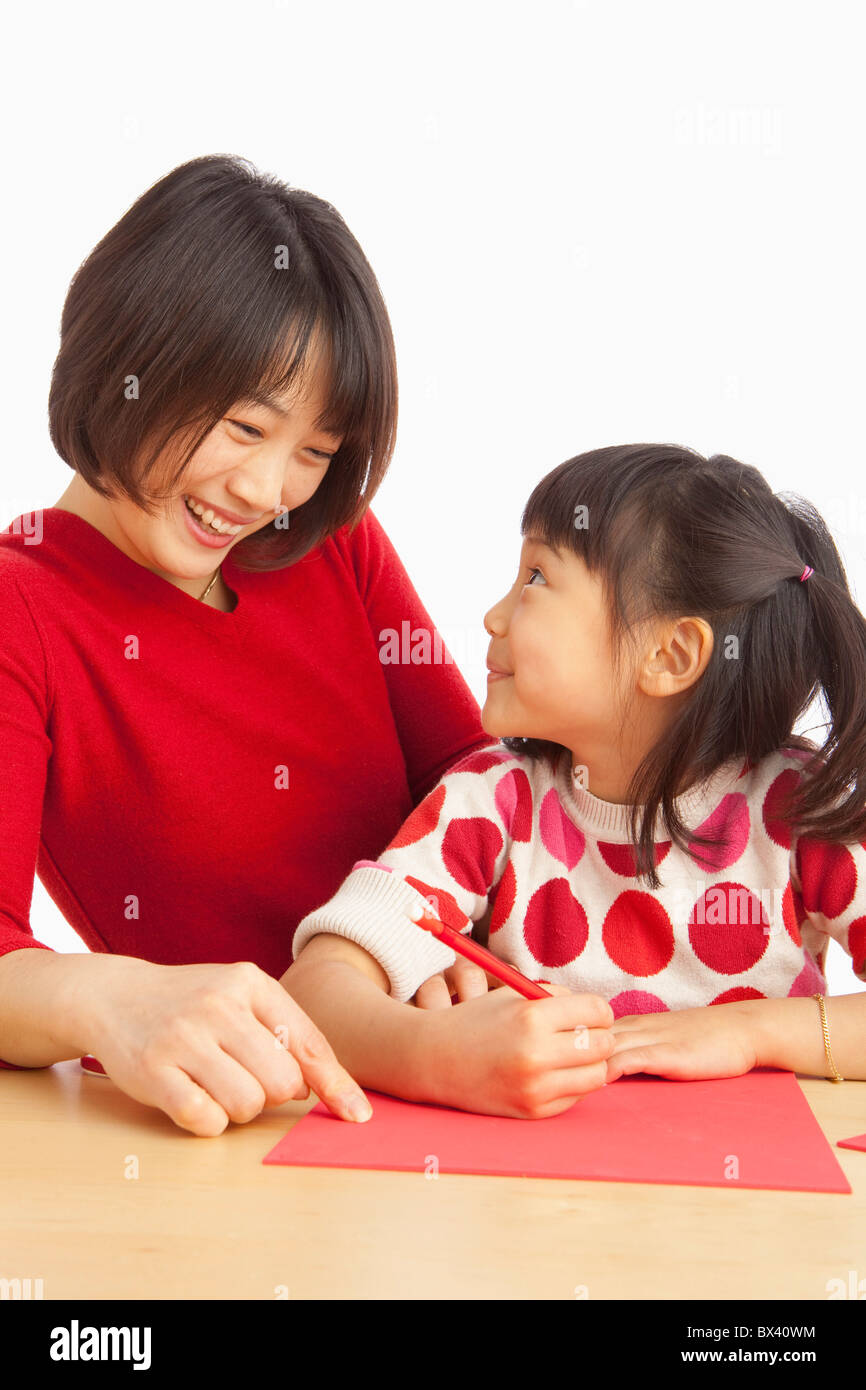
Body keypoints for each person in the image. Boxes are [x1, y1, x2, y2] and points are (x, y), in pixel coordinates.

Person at [0, 153, 498, 1136]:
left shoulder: (330, 543)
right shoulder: (23, 605)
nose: (269, 492)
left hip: (460, 1072)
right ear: (130, 362)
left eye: (313, 453)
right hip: (245, 1131)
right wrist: (107, 997)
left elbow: (475, 773)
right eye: (244, 426)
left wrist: (417, 923)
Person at [283, 444, 866, 1118]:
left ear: (670, 655)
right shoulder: (490, 803)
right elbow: (313, 990)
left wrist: (748, 1032)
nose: (494, 617)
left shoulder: (797, 808)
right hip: (542, 1206)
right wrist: (433, 1053)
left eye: (536, 577)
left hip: (747, 1209)